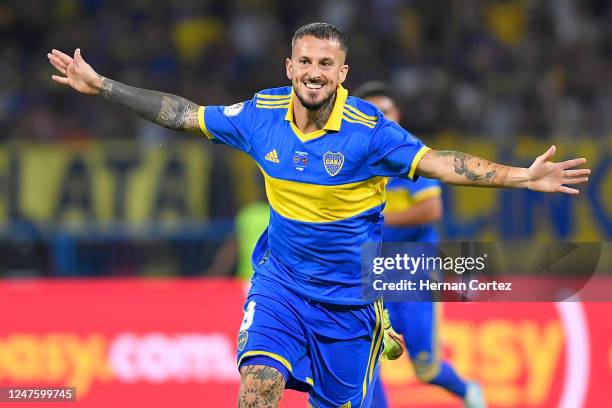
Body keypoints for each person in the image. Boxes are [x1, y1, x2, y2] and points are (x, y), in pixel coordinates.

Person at [48, 22, 589, 408]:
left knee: (376, 387)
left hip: (350, 300)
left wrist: (522, 175)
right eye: (304, 61)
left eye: (325, 64)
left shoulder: (370, 132)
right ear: (289, 67)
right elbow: (184, 115)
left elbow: (442, 165)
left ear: (342, 72)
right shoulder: (260, 114)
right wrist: (102, 86)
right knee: (258, 383)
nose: (313, 72)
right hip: (279, 286)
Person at [354, 82, 485, 407]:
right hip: (372, 270)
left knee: (425, 368)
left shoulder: (409, 153)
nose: (378, 119)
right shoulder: (353, 160)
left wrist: (375, 217)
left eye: (383, 111)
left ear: (397, 115)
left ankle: (468, 392)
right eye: (369, 113)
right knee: (366, 355)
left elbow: (431, 209)